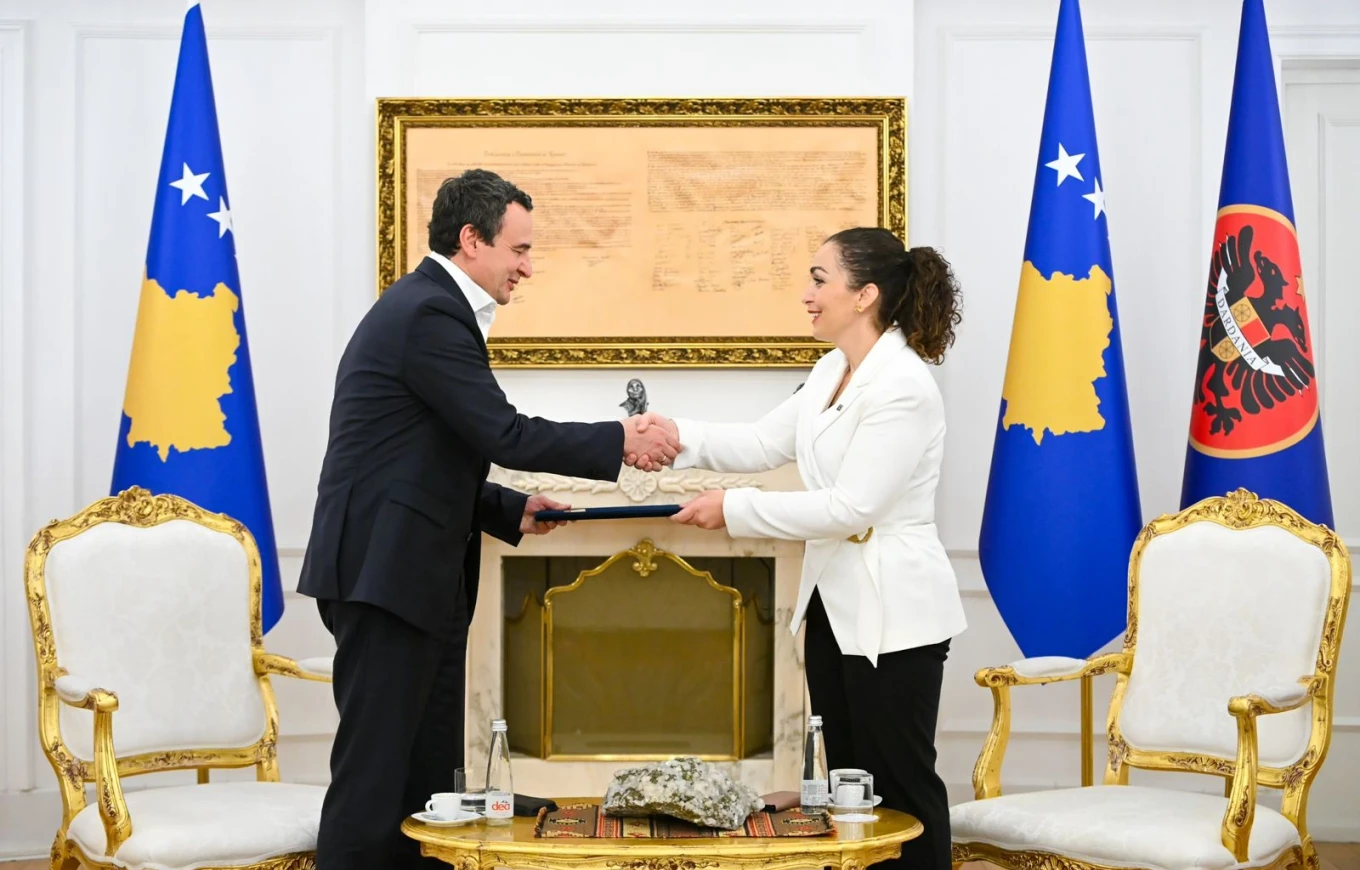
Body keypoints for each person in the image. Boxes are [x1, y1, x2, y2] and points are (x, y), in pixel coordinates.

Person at [297, 168, 679, 870]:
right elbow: (503, 433)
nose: (527, 268)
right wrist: (619, 439)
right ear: (472, 240)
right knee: (373, 784)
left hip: (414, 576)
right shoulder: (428, 313)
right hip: (385, 576)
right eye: (519, 250)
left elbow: (424, 456)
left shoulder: (431, 307)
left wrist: (509, 506)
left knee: (429, 785)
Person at [640, 227, 967, 870]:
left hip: (895, 613)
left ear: (864, 295)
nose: (807, 294)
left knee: (901, 787)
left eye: (820, 280)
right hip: (833, 608)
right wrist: (677, 434)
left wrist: (733, 509)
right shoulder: (829, 371)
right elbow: (763, 443)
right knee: (849, 788)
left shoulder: (903, 385)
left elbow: (852, 507)